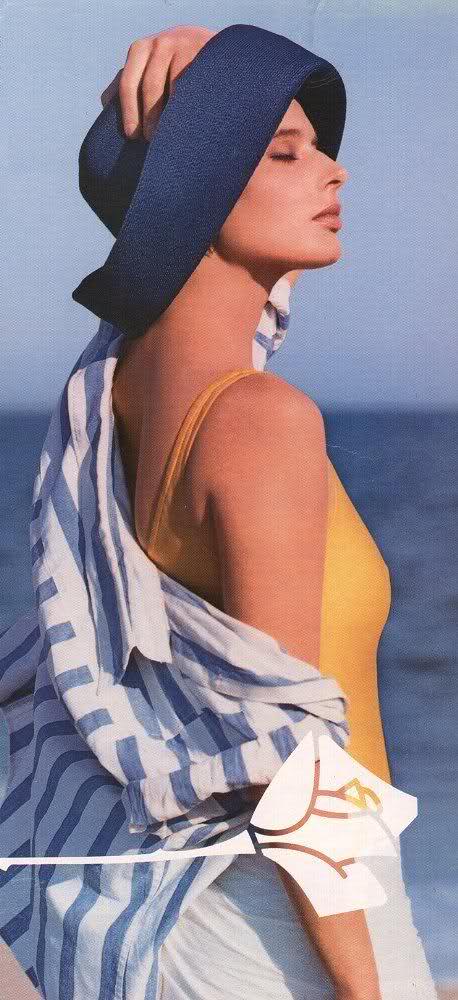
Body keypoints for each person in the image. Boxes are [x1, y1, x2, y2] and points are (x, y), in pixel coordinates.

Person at [83, 23, 438, 1000]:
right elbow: (290, 755)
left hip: (200, 909)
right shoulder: (259, 422)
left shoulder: (117, 400)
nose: (334, 171)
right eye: (284, 152)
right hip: (306, 916)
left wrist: (220, 74)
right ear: (191, 186)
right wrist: (364, 987)